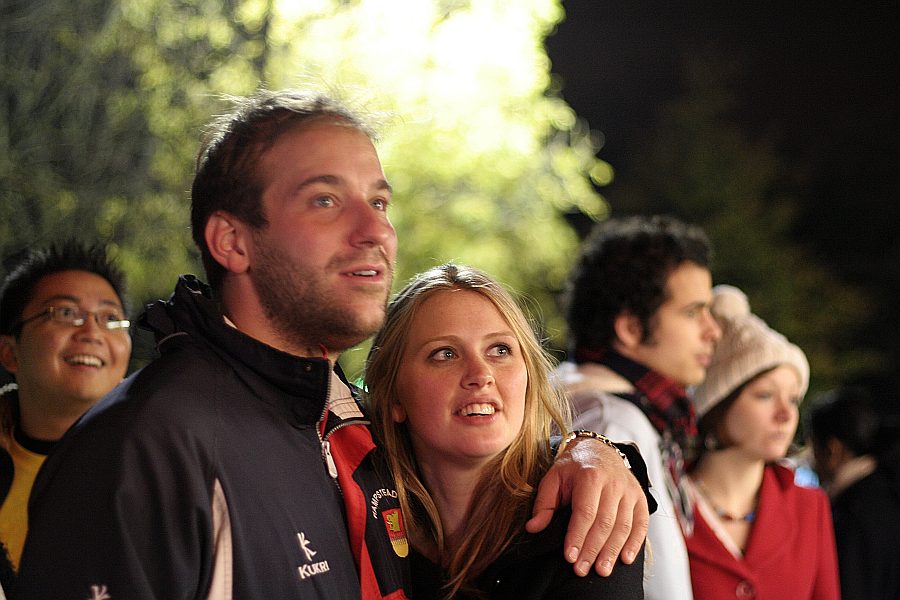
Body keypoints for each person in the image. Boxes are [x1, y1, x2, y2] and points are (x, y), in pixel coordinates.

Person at [17, 89, 649, 599]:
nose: (375, 228)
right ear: (232, 243)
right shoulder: (145, 449)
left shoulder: (341, 421)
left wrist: (591, 451)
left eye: (379, 201)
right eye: (325, 200)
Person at [366, 263, 647, 599]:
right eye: (445, 354)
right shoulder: (363, 515)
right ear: (394, 395)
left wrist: (596, 448)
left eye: (500, 350)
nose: (481, 374)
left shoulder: (582, 506)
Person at [555, 214, 720, 600]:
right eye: (693, 312)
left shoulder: (583, 399)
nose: (713, 330)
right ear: (629, 328)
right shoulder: (613, 422)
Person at [684, 285, 839, 600]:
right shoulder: (666, 504)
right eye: (765, 395)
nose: (786, 414)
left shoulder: (810, 507)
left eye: (794, 399)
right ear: (718, 404)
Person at [0, 240, 131, 590]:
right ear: (10, 352)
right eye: (65, 313)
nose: (92, 333)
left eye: (110, 319)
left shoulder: (161, 467)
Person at [806, 386, 900, 600]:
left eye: (814, 448)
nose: (812, 459)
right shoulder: (887, 488)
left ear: (832, 449)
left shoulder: (851, 513)